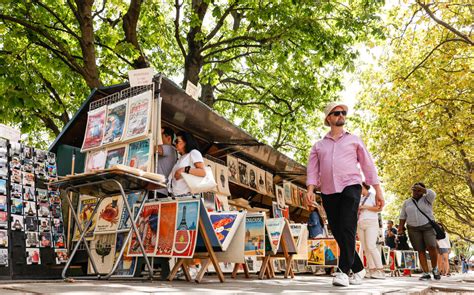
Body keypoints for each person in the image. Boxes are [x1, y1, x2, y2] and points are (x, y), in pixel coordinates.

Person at [306, 101, 384, 287]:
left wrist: (378, 190)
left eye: (343, 113)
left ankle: (342, 271)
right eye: (336, 113)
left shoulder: (354, 140)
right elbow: (312, 170)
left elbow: (368, 166)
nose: (341, 115)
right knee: (339, 231)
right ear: (328, 118)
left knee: (348, 226)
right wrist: (310, 189)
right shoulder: (318, 146)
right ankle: (358, 268)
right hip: (328, 190)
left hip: (351, 186)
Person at [398, 182, 441, 280]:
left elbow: (433, 194)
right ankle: (426, 273)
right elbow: (402, 216)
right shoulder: (407, 202)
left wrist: (424, 190)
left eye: (418, 190)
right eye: (414, 189)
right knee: (420, 250)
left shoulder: (427, 199)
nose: (416, 192)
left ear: (422, 191)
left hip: (428, 227)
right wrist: (400, 228)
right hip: (413, 229)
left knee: (432, 246)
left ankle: (435, 269)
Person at [358, 182, 385, 279]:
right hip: (360, 223)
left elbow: (379, 208)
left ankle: (380, 270)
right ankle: (371, 270)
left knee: (371, 246)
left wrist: (365, 207)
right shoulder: (359, 198)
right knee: (365, 248)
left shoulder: (373, 196)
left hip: (371, 222)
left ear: (364, 187)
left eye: (359, 187)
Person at [168, 131, 206, 197]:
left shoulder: (193, 153)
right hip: (177, 195)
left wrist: (184, 170)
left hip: (188, 195)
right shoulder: (181, 158)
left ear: (186, 142)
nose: (175, 143)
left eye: (177, 141)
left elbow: (203, 172)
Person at [155, 127, 178, 198]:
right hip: (161, 189)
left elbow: (155, 149)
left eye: (160, 136)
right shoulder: (173, 152)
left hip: (158, 189)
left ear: (168, 138)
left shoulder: (169, 148)